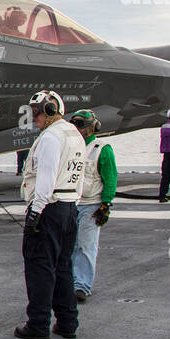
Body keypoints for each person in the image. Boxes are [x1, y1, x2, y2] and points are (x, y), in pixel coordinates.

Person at [15, 90, 85, 339]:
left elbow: (46, 178)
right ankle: (67, 322)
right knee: (63, 267)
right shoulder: (74, 135)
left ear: (51, 110)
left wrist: (35, 212)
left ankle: (38, 324)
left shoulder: (51, 137)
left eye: (37, 113)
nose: (34, 118)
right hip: (69, 208)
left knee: (40, 268)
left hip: (49, 207)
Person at [68, 109, 115, 304]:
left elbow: (110, 178)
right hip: (70, 203)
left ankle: (82, 287)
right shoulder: (70, 147)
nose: (77, 129)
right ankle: (69, 283)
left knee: (86, 247)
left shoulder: (101, 148)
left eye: (80, 125)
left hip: (91, 205)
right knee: (69, 246)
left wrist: (106, 204)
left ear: (92, 126)